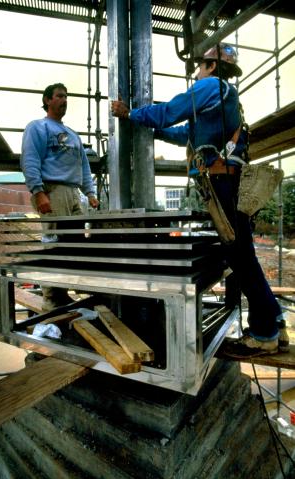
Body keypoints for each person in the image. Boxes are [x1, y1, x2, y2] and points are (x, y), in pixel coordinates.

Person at [111, 43, 288, 359]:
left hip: (222, 182)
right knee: (243, 254)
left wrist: (132, 114)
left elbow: (170, 111)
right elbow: (184, 135)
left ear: (211, 67)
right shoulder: (222, 97)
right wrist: (149, 128)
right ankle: (274, 320)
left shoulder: (211, 86)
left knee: (240, 258)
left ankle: (264, 334)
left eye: (201, 65)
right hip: (225, 181)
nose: (196, 70)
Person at [21, 82, 99, 311]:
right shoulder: (38, 127)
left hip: (73, 193)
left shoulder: (73, 135)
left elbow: (84, 166)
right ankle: (52, 298)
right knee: (54, 243)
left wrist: (90, 192)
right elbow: (30, 160)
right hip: (52, 191)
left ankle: (64, 293)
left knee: (73, 245)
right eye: (60, 96)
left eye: (66, 97)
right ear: (47, 100)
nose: (64, 100)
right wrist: (38, 191)